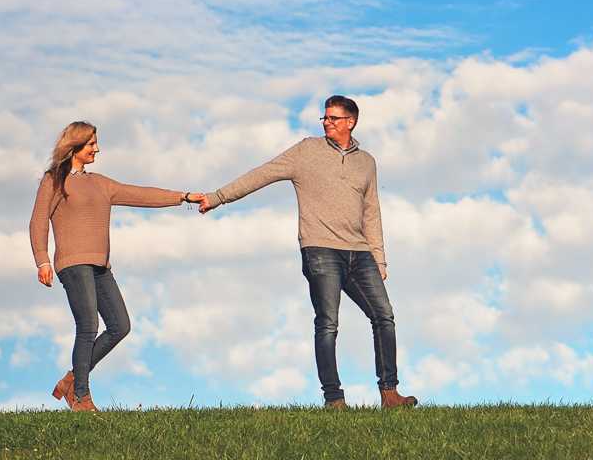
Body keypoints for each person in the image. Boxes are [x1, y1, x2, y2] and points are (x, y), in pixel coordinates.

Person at [197, 95, 418, 410]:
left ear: (351, 122)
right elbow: (262, 173)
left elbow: (371, 211)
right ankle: (334, 399)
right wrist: (217, 197)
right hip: (320, 249)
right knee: (328, 322)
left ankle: (390, 393)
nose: (327, 122)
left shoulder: (367, 161)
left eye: (333, 118)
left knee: (384, 316)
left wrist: (379, 258)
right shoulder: (306, 151)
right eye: (324, 117)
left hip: (360, 253)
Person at [30, 121, 203, 412]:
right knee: (88, 326)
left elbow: (141, 194)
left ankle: (72, 380)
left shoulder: (101, 183)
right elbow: (38, 220)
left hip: (100, 265)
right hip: (73, 263)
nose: (96, 149)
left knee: (120, 325)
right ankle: (80, 397)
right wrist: (42, 260)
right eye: (91, 144)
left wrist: (183, 197)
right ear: (75, 146)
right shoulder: (54, 180)